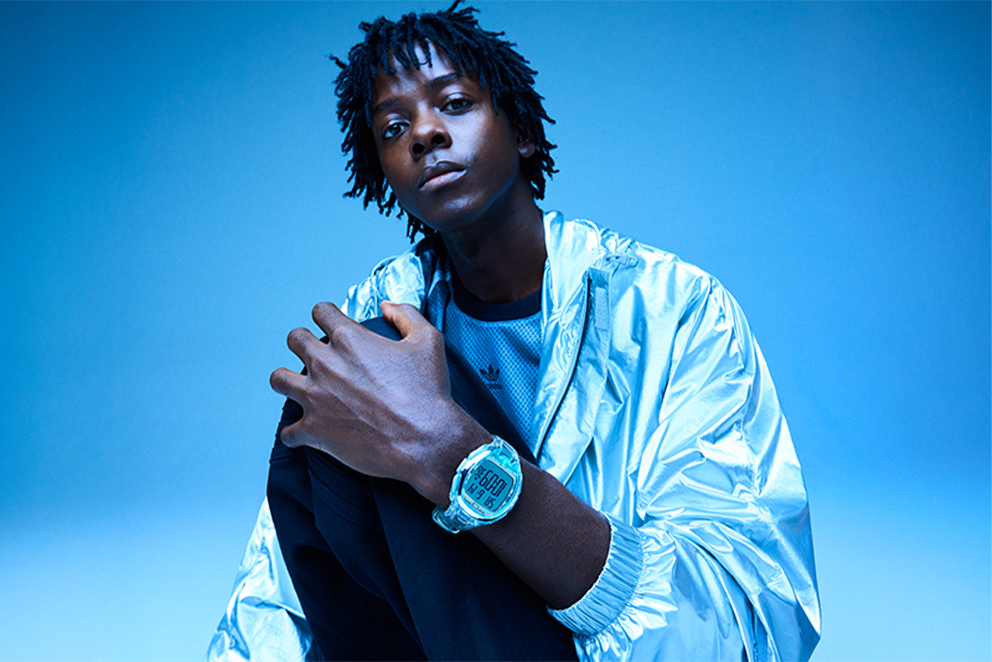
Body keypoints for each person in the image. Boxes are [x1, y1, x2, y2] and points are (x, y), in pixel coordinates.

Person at [205, 3, 821, 660]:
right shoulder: (381, 316)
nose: (425, 134)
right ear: (382, 171)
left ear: (522, 129)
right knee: (344, 372)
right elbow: (283, 586)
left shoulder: (674, 309)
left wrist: (447, 450)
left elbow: (745, 624)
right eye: (393, 128)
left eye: (455, 104)